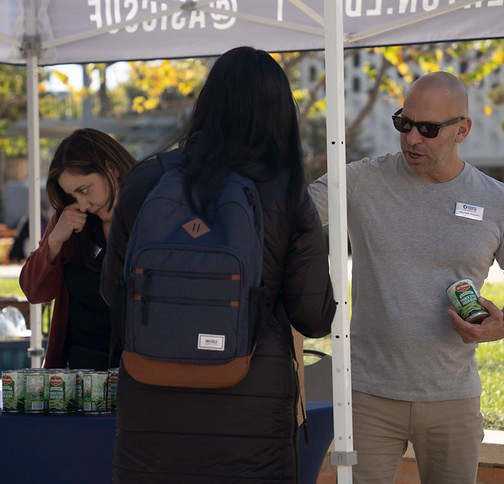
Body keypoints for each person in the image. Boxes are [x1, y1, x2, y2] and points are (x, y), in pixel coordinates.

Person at [100, 46, 337, 483]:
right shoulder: (285, 193)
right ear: (280, 115)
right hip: (250, 417)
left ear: (206, 103)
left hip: (151, 416)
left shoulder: (148, 179)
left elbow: (112, 288)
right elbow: (314, 315)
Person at [307, 71, 504, 484]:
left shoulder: (498, 201)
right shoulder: (363, 181)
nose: (412, 139)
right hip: (368, 394)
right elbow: (292, 215)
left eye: (428, 129)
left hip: (452, 396)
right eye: (404, 123)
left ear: (463, 130)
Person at [19, 128, 136, 370]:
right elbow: (34, 292)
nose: (82, 204)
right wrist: (53, 242)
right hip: (78, 377)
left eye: (84, 190)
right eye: (72, 195)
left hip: (138, 374)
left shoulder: (153, 214)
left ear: (111, 168)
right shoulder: (70, 221)